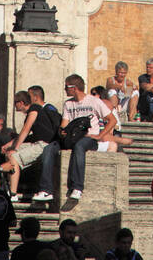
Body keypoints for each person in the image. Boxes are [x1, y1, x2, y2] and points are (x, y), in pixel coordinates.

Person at [32, 75, 112, 204]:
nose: (64, 89)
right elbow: (64, 123)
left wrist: (100, 135)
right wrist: (62, 131)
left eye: (66, 87)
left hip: (88, 138)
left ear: (74, 88)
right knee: (49, 149)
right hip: (71, 137)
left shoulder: (94, 101)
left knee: (79, 147)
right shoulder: (68, 104)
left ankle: (77, 187)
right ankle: (46, 190)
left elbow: (112, 120)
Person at [1, 90, 55, 198]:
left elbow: (25, 131)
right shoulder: (32, 111)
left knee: (14, 157)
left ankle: (13, 193)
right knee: (9, 153)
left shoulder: (34, 109)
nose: (14, 105)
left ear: (21, 103)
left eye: (16, 102)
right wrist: (9, 145)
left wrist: (15, 148)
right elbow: (24, 134)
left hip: (43, 145)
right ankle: (8, 186)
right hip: (36, 143)